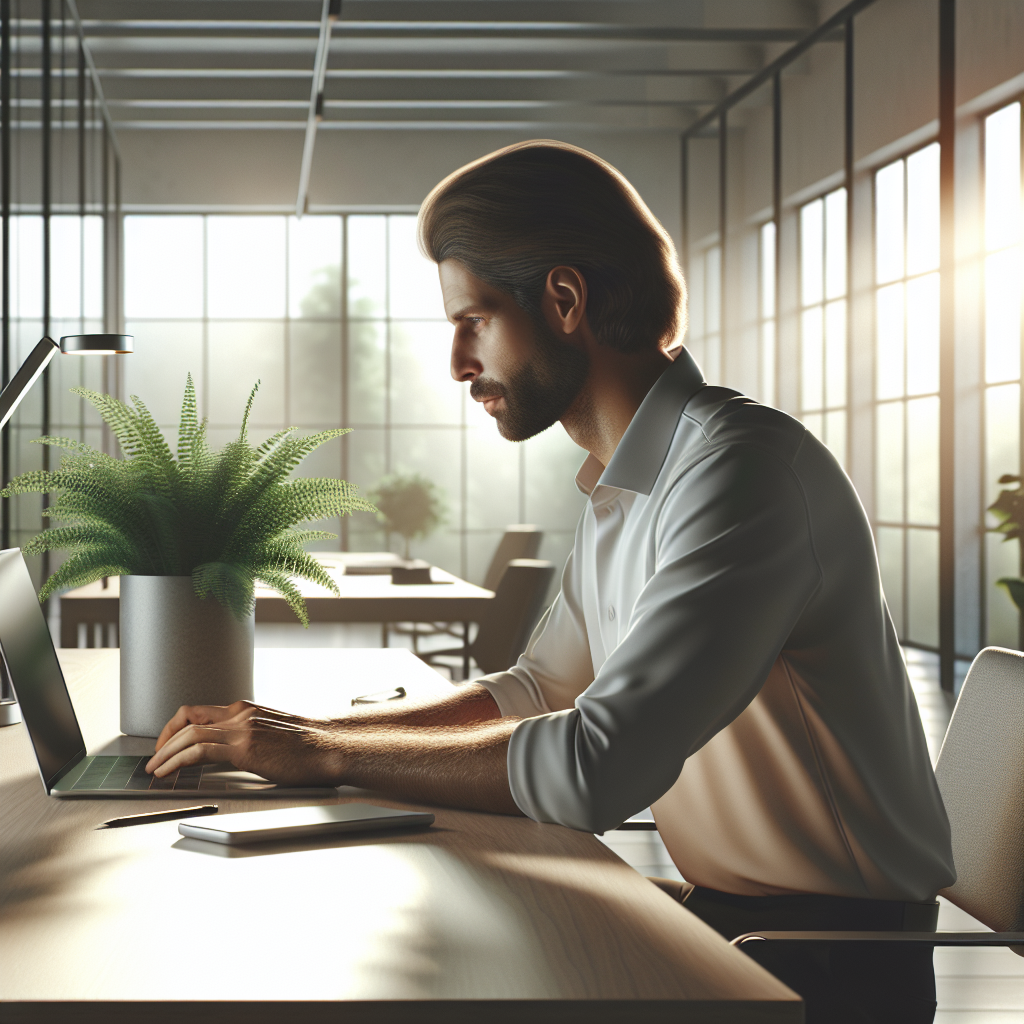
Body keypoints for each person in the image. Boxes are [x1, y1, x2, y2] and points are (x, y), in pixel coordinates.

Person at [147, 141, 955, 1023]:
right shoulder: (630, 479)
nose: (459, 363)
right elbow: (536, 692)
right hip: (732, 926)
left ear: (564, 300)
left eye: (475, 321)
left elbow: (594, 767)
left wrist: (327, 755)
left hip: (826, 967)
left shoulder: (742, 474)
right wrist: (302, 732)